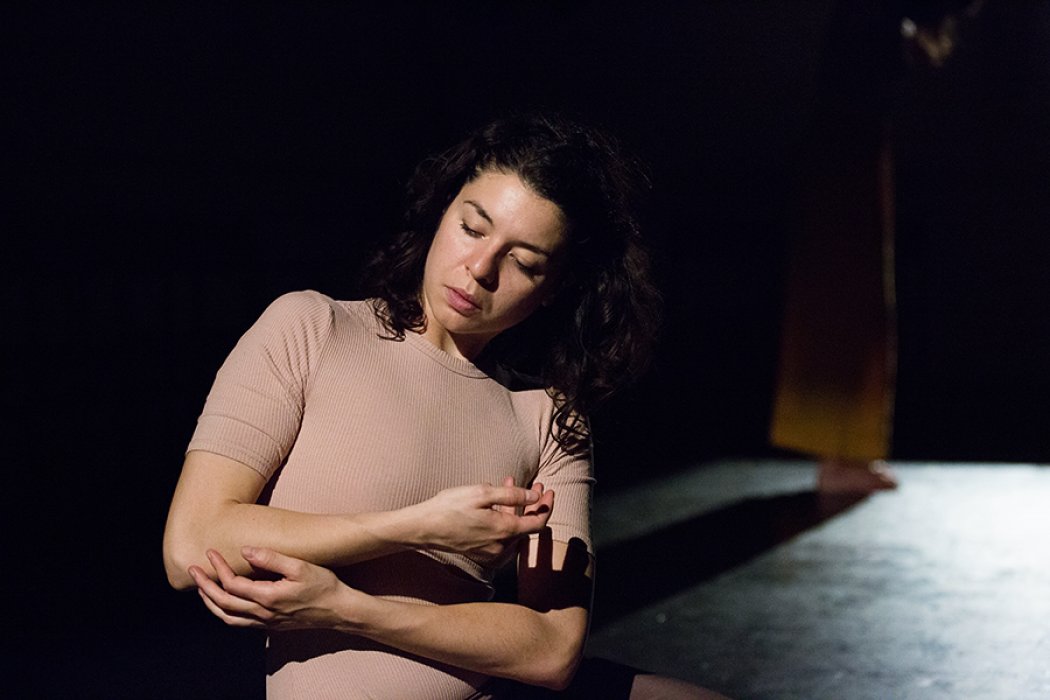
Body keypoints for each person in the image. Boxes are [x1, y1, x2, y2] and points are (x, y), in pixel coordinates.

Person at [163, 112, 727, 699]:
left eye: (523, 262)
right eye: (472, 227)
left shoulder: (547, 418)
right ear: (442, 210)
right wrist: (420, 526)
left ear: (554, 287)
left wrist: (347, 607)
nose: (480, 269)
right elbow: (191, 543)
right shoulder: (312, 329)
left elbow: (553, 649)